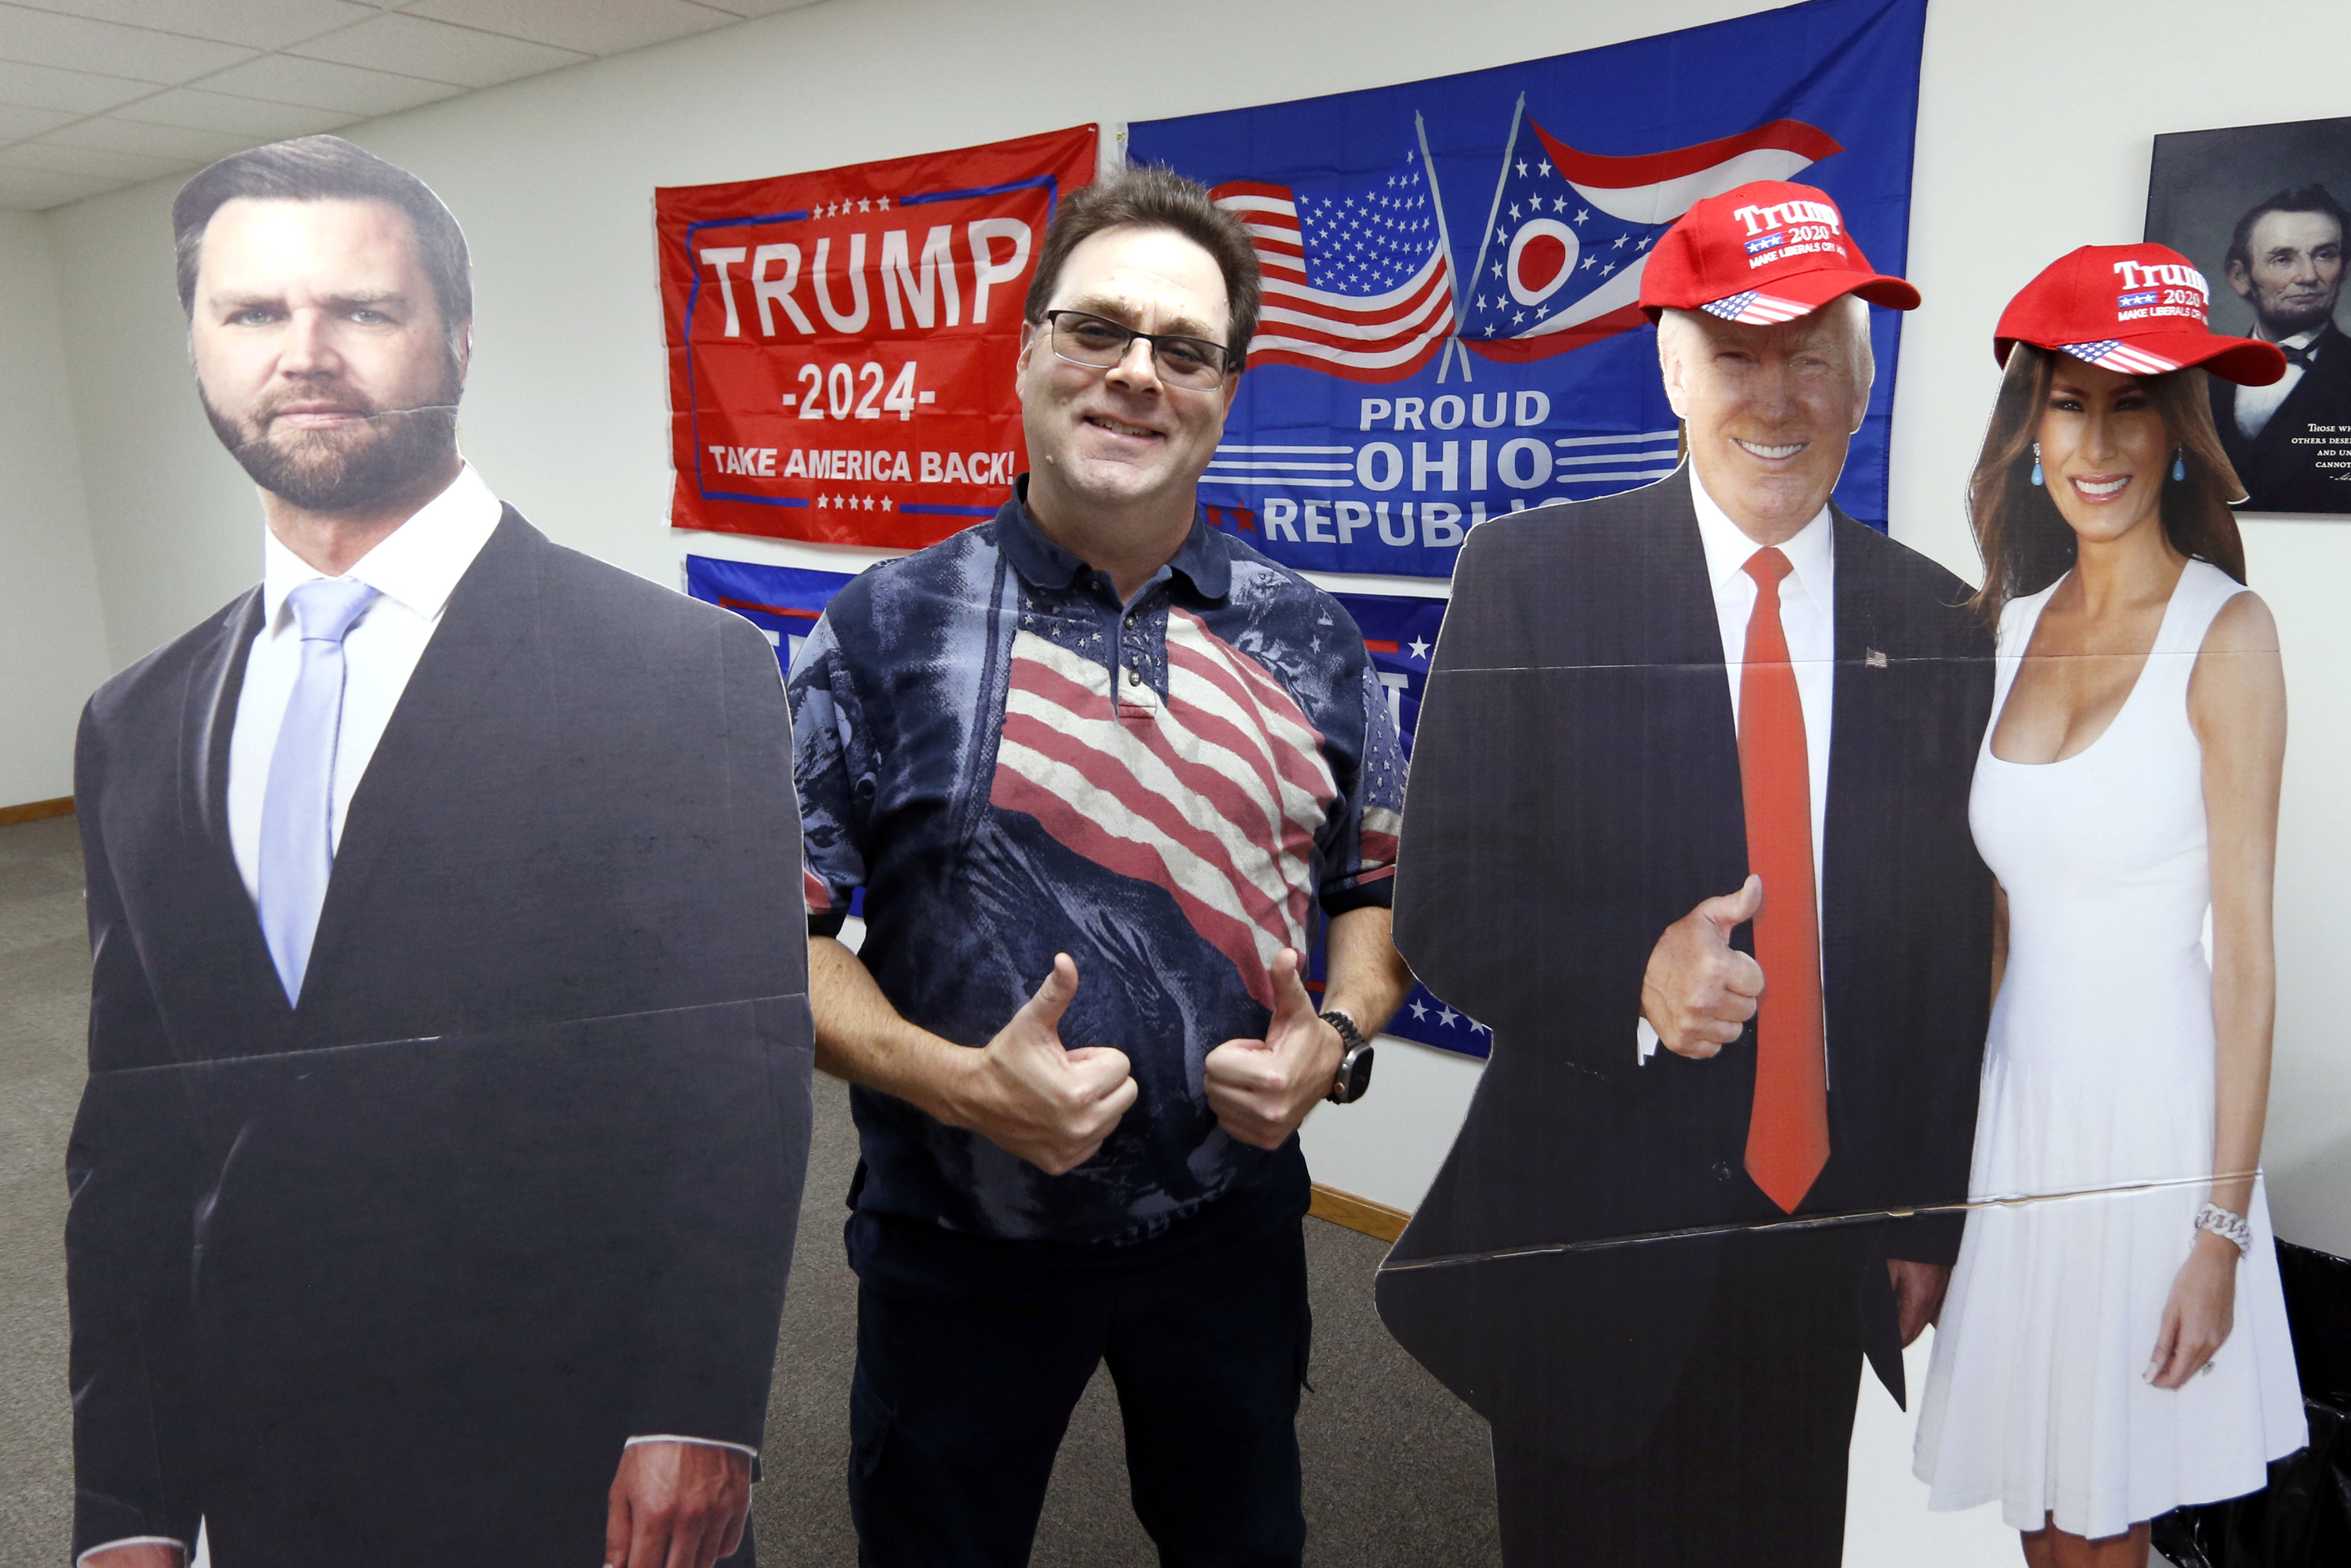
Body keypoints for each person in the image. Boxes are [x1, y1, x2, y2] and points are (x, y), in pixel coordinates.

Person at [66, 136, 812, 1568]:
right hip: (269, 1454)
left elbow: (732, 1073)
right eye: (252, 314)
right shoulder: (139, 721)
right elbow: (135, 1144)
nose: (306, 355)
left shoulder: (671, 671)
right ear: (198, 349)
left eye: (362, 309)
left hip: (574, 1450)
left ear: (456, 335)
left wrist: (700, 1410)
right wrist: (127, 1506)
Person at [788, 163, 1414, 1568]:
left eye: (1183, 349)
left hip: (1230, 1232)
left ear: (1225, 392)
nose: (1138, 374)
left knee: (1241, 1544)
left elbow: (1375, 894)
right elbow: (786, 934)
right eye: (1098, 331)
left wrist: (1342, 1035)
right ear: (1026, 355)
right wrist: (955, 1079)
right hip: (955, 1242)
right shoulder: (884, 630)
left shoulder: (1313, 642)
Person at [1376, 180, 1996, 1567]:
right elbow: (1446, 897)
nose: (1774, 398)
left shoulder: (1938, 621)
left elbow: (1945, 953)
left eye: (1811, 355)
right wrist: (1634, 977)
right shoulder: (1532, 576)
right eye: (1734, 354)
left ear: (1859, 380)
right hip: (1591, 1231)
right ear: (1671, 367)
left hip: (1817, 1235)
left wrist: (1919, 1206)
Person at [1913, 243, 2306, 1568]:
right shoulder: (2012, 626)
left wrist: (2219, 1231)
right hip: (2023, 1127)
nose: (2098, 440)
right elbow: (2004, 929)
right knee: (2041, 1506)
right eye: (2069, 401)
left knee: (2104, 1521)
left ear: (2180, 427)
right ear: (2029, 427)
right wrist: (1953, 1176)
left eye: (2132, 403)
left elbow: (2248, 966)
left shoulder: (2227, 634)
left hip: (2153, 1146)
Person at [2208, 184, 2351, 512]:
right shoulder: (2200, 375)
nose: (2308, 275)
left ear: (2344, 268)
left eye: (2324, 255)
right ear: (2240, 277)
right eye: (2282, 259)